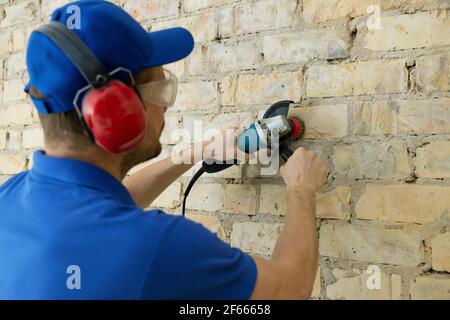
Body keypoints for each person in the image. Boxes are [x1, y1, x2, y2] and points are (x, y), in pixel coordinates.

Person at [0, 0, 327, 299]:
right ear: (117, 110)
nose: (166, 108)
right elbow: (291, 289)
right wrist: (302, 189)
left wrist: (194, 152)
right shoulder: (157, 246)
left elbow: (106, 202)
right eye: (160, 90)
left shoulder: (10, 198)